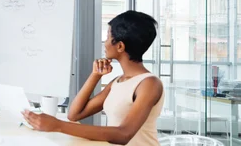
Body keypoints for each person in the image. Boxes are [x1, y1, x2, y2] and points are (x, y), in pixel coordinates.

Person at [22, 10, 164, 146]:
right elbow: (74, 114)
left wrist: (58, 125)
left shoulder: (149, 84)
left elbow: (123, 134)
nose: (105, 42)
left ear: (120, 46)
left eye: (108, 37)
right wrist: (95, 75)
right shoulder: (118, 81)